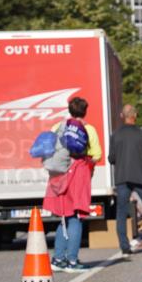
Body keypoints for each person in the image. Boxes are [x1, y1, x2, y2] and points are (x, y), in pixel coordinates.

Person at [45, 96, 103, 272]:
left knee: (64, 216)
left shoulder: (57, 127)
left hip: (60, 175)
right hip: (78, 174)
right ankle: (72, 261)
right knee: (76, 218)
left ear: (69, 110)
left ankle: (57, 259)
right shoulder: (88, 129)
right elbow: (97, 154)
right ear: (85, 111)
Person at [108, 104, 142, 256]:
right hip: (141, 176)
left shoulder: (115, 135)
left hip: (123, 177)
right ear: (135, 115)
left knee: (121, 212)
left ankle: (125, 247)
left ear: (121, 116)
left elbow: (111, 158)